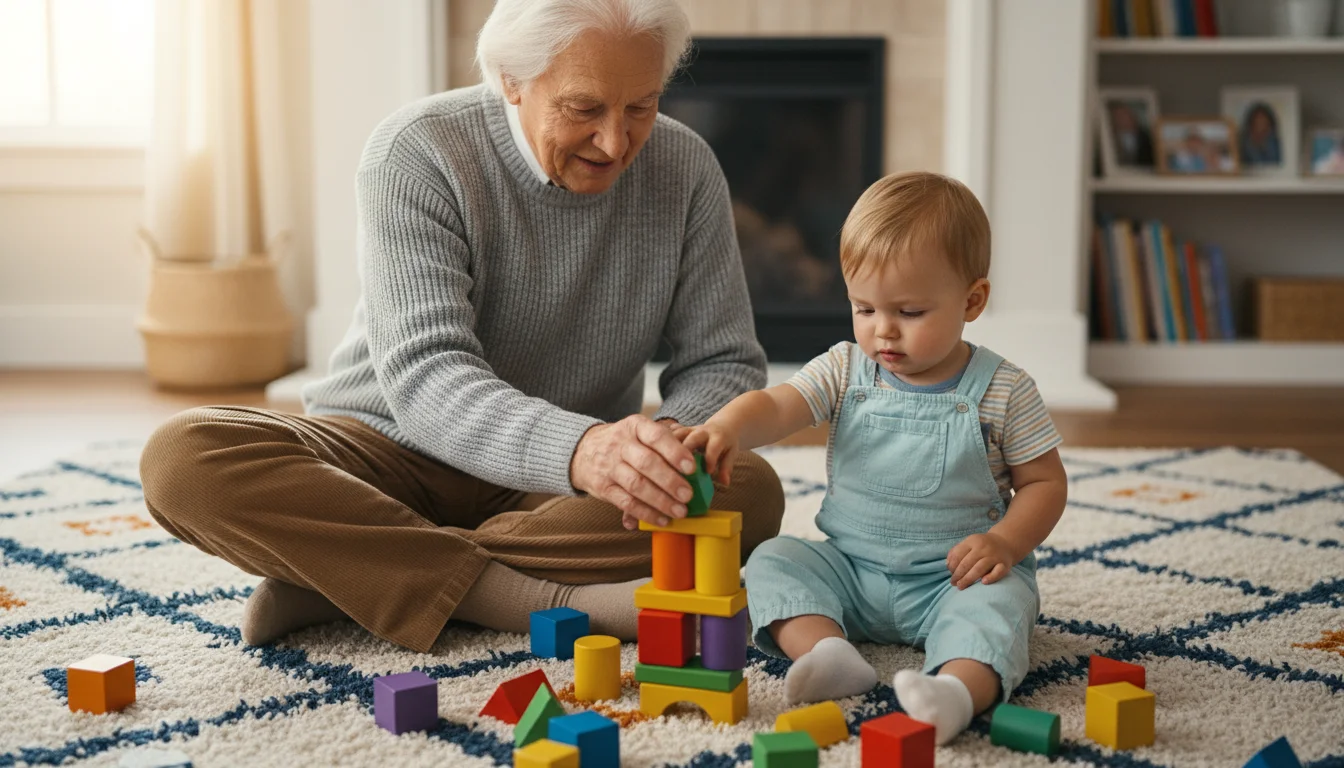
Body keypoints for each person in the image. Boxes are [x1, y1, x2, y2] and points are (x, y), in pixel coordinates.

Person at [138, 0, 785, 654]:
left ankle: (341, 574)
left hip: (548, 491)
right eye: (584, 108)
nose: (616, 142)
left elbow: (723, 363)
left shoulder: (686, 167)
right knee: (183, 459)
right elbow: (427, 378)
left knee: (748, 489)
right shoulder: (418, 149)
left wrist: (667, 451)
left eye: (641, 107)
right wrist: (584, 449)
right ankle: (536, 599)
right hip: (386, 455)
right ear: (511, 79)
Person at [677, 172, 1068, 745]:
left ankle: (955, 693)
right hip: (852, 572)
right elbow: (780, 404)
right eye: (863, 308)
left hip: (954, 579)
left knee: (1001, 606)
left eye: (909, 312)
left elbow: (1045, 483)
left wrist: (1006, 543)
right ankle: (828, 653)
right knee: (773, 559)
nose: (883, 331)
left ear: (972, 300)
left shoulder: (1004, 390)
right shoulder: (845, 369)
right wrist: (728, 426)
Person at [1108, 100, 1155, 168]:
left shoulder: (1148, 138)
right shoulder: (1110, 139)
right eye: (1118, 117)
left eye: (1125, 115)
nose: (1122, 120)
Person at [1239, 103, 1281, 167]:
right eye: (1257, 120)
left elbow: (1276, 164)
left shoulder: (1273, 141)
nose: (1260, 124)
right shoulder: (1244, 142)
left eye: (1263, 120)